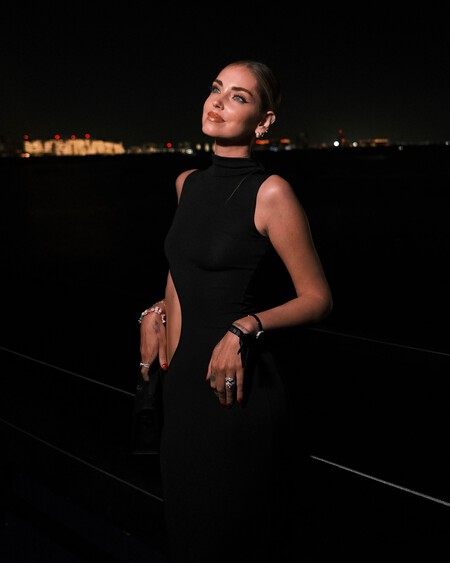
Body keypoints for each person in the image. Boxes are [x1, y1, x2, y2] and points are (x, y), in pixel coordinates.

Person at [139, 59, 333, 563]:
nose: (219, 102)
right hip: (181, 388)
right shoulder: (186, 184)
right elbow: (183, 269)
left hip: (234, 393)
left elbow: (317, 298)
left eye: (239, 97)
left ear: (263, 122)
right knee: (184, 534)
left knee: (227, 540)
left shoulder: (271, 192)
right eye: (216, 89)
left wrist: (246, 326)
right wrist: (156, 311)